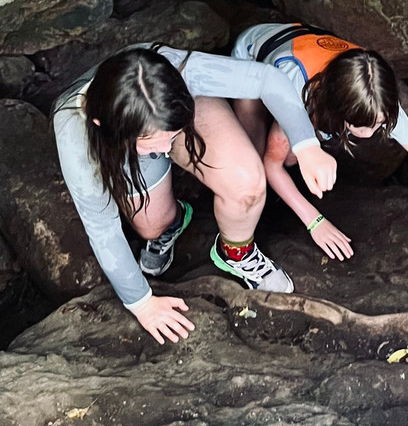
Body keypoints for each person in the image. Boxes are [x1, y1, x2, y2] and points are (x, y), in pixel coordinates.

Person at [52, 44, 338, 345]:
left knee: (246, 183)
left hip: (168, 119)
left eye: (168, 142)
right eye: (153, 145)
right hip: (121, 140)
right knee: (152, 225)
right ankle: (173, 221)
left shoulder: (176, 71)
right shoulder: (74, 130)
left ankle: (236, 251)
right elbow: (102, 226)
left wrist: (307, 146)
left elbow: (267, 79)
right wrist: (142, 303)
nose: (164, 151)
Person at [232, 23, 408, 260]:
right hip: (252, 56)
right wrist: (315, 221)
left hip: (303, 44)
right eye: (360, 125)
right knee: (253, 160)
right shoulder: (296, 90)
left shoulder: (375, 94)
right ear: (337, 107)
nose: (370, 134)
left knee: (291, 155)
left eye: (378, 125)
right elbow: (271, 164)